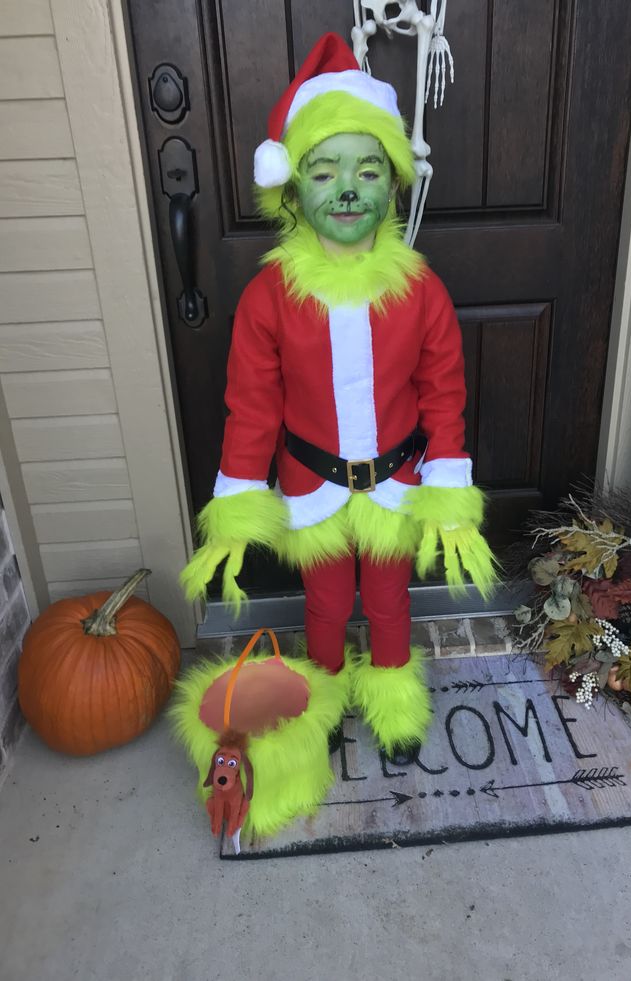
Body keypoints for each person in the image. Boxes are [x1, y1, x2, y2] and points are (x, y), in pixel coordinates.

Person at [181, 32, 496, 760]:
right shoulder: (267, 299)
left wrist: (448, 492)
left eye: (366, 170)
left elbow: (444, 394)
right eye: (324, 173)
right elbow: (252, 407)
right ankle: (319, 703)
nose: (347, 189)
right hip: (313, 485)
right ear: (291, 190)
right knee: (324, 603)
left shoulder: (421, 292)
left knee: (388, 600)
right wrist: (235, 506)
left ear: (392, 183)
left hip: (396, 486)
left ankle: (391, 701)